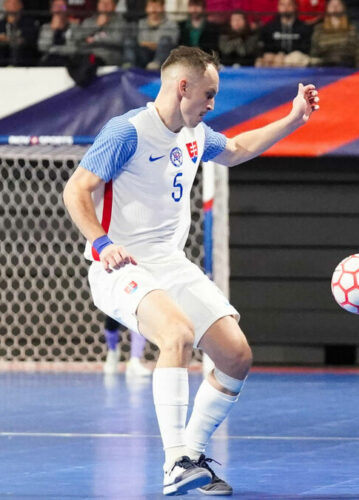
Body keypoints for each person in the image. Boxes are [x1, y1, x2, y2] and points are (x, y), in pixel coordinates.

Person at [62, 46, 319, 496]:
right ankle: (174, 460)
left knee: (236, 356)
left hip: (170, 263)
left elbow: (237, 148)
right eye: (209, 94)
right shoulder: (127, 132)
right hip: (121, 265)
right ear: (183, 86)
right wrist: (102, 243)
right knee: (176, 334)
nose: (212, 104)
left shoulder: (195, 135)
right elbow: (76, 190)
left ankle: (193, 456)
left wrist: (294, 118)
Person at [71, 0, 128, 66]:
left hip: (109, 55)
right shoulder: (89, 21)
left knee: (91, 62)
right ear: (98, 5)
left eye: (108, 3)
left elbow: (117, 40)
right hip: (88, 55)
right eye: (102, 2)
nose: (104, 5)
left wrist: (95, 39)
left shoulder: (120, 22)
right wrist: (97, 25)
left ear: (114, 7)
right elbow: (78, 39)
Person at [256, 0, 312, 67]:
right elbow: (265, 47)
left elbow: (305, 49)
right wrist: (274, 56)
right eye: (282, 5)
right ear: (278, 7)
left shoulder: (304, 28)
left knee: (298, 58)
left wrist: (285, 58)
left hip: (295, 61)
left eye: (289, 4)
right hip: (274, 60)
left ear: (295, 6)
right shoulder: (269, 28)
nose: (286, 8)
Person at [310, 0, 359, 67]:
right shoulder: (319, 29)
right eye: (332, 5)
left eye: (338, 4)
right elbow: (314, 53)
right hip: (324, 67)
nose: (335, 7)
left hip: (347, 67)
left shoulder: (352, 29)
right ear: (327, 8)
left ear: (343, 8)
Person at [132, 0, 179, 69]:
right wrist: (157, 45)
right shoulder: (141, 23)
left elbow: (170, 44)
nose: (153, 9)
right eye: (150, 6)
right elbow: (140, 42)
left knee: (165, 40)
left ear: (163, 7)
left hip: (164, 61)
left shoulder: (172, 24)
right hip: (144, 57)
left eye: (157, 6)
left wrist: (149, 44)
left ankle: (155, 65)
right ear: (146, 8)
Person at [0, 0, 40, 66]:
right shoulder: (1, 24)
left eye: (15, 3)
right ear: (5, 6)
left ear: (21, 5)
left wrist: (7, 39)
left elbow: (27, 40)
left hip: (23, 58)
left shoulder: (29, 23)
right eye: (10, 2)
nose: (12, 5)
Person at [38, 0, 77, 66]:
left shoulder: (73, 27)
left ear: (67, 9)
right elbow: (42, 47)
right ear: (51, 9)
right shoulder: (46, 27)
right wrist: (53, 29)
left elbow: (74, 48)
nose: (59, 9)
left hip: (69, 62)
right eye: (56, 6)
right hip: (48, 62)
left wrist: (54, 49)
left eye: (62, 6)